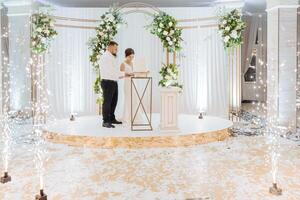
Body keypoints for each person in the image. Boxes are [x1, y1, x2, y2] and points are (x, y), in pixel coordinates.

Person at [99, 41, 132, 128]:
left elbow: (115, 71)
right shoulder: (106, 57)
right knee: (107, 102)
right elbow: (111, 71)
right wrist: (124, 74)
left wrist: (122, 74)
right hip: (107, 81)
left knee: (114, 101)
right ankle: (105, 121)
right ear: (109, 47)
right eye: (115, 48)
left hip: (113, 81)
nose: (116, 50)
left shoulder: (111, 57)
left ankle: (112, 118)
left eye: (117, 49)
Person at [120, 48, 143, 124]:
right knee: (128, 100)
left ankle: (135, 117)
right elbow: (120, 75)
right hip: (127, 84)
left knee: (135, 99)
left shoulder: (133, 63)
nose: (131, 58)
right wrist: (128, 74)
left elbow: (136, 72)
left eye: (132, 57)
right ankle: (127, 118)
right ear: (126, 56)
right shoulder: (123, 64)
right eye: (130, 57)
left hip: (134, 83)